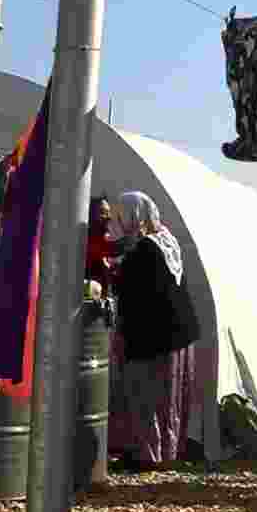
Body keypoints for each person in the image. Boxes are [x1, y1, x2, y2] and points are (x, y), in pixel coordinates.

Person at [109, 191, 201, 471]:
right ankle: (167, 448)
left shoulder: (145, 249)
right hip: (178, 334)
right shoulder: (166, 240)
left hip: (155, 337)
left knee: (144, 394)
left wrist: (113, 272)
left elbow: (130, 289)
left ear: (134, 216)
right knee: (166, 397)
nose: (118, 223)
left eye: (121, 217)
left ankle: (145, 453)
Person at [85, 196, 114, 293]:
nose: (109, 217)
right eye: (103, 212)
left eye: (108, 212)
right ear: (89, 214)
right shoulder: (86, 241)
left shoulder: (105, 239)